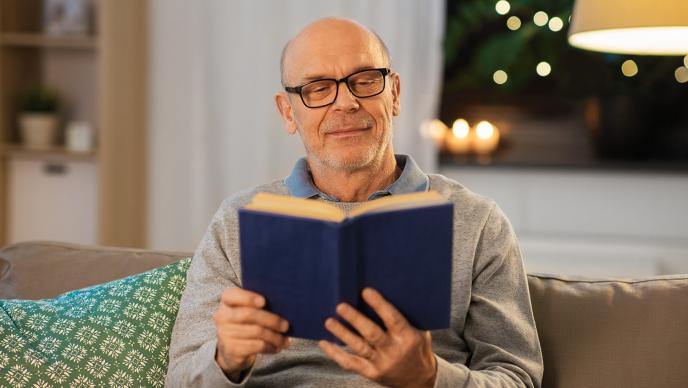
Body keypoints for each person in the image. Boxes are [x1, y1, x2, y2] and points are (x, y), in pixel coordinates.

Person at [166, 17, 543, 388]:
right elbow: (179, 379)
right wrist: (226, 359)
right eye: (317, 87)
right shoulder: (238, 220)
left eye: (365, 81)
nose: (346, 103)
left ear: (393, 94)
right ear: (287, 112)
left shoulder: (478, 222)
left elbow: (518, 378)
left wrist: (428, 378)